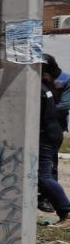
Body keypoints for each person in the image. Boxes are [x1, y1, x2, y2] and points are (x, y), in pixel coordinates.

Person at [38, 78, 70, 227]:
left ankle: (66, 212)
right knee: (46, 175)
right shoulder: (44, 88)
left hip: (46, 136)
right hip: (52, 133)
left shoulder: (38, 89)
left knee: (43, 176)